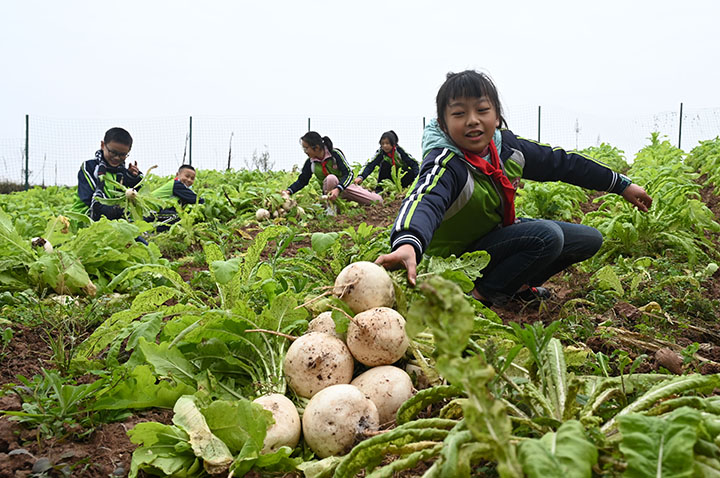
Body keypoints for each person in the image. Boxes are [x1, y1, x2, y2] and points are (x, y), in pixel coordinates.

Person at [376, 70, 653, 306]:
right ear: (444, 125)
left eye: (482, 110)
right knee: (547, 237)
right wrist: (408, 242)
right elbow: (425, 199)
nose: (472, 120)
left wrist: (621, 184)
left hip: (492, 243)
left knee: (588, 239)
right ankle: (479, 295)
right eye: (459, 113)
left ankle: (516, 287)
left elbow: (562, 163)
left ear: (496, 116)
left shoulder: (507, 149)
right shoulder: (447, 163)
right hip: (454, 262)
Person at [282, 132, 383, 214]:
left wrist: (338, 189)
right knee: (330, 178)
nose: (305, 151)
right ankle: (330, 208)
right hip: (328, 194)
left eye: (306, 148)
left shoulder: (335, 154)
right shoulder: (310, 163)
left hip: (344, 187)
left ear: (316, 147)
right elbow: (302, 180)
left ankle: (348, 200)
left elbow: (349, 173)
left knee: (378, 201)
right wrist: (289, 191)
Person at [70, 127, 143, 221]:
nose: (117, 158)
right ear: (103, 145)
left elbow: (134, 195)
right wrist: (111, 211)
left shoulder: (123, 172)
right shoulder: (90, 167)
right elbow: (88, 197)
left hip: (112, 220)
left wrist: (132, 178)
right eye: (113, 152)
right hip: (85, 218)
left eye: (122, 155)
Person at [355, 130, 419, 192]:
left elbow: (414, 164)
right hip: (389, 176)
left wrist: (417, 179)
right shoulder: (380, 153)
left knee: (410, 173)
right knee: (385, 164)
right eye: (383, 144)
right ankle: (379, 189)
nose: (385, 146)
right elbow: (370, 165)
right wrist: (361, 177)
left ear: (393, 144)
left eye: (387, 143)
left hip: (402, 176)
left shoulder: (400, 152)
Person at [150, 164, 204, 231]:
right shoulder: (176, 185)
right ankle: (152, 230)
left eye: (192, 178)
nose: (189, 180)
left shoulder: (176, 185)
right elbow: (196, 199)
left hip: (155, 211)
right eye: (187, 176)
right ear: (177, 175)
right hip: (150, 212)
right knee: (179, 216)